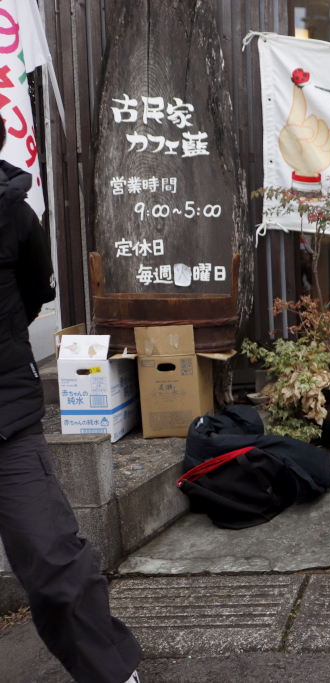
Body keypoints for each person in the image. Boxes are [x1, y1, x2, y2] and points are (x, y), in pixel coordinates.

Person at [0, 121, 142, 683]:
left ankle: (110, 672)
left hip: (6, 422)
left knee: (53, 559)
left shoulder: (11, 211)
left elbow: (37, 289)